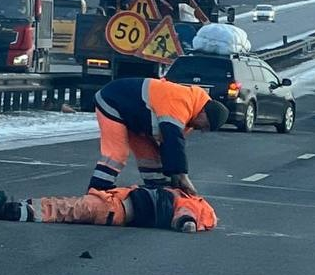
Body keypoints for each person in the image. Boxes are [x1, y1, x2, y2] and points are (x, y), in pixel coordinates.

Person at [89, 77, 229, 195]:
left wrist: (174, 180)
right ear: (203, 112)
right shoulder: (182, 101)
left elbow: (167, 147)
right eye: (205, 126)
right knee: (116, 155)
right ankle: (97, 190)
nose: (202, 130)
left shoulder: (189, 118)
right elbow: (173, 141)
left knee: (151, 157)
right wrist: (182, 176)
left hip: (136, 116)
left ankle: (157, 191)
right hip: (113, 100)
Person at [0, 184, 217, 233]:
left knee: (59, 209)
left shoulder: (195, 204)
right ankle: (2, 208)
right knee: (60, 206)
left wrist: (186, 224)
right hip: (114, 206)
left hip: (116, 209)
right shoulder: (187, 199)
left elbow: (186, 216)